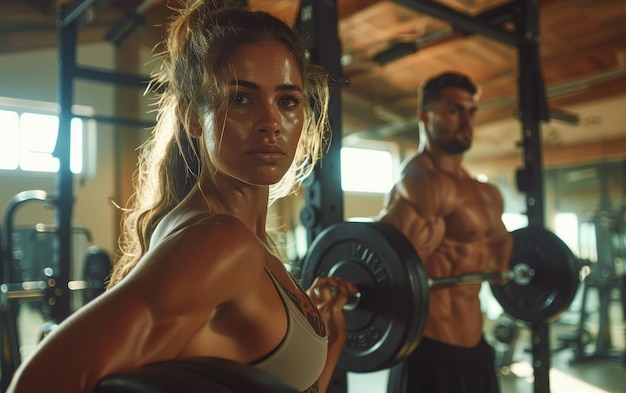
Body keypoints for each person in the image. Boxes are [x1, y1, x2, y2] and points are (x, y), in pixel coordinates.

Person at [7, 1, 356, 392]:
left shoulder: (238, 240)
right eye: (241, 98)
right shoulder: (220, 243)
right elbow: (43, 381)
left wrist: (330, 330)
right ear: (193, 117)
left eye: (287, 100)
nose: (271, 123)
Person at [378, 71, 513, 393]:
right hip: (428, 351)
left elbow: (501, 268)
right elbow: (383, 272)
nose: (466, 120)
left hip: (477, 348)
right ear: (426, 116)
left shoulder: (486, 194)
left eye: (471, 111)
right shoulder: (417, 186)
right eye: (454, 110)